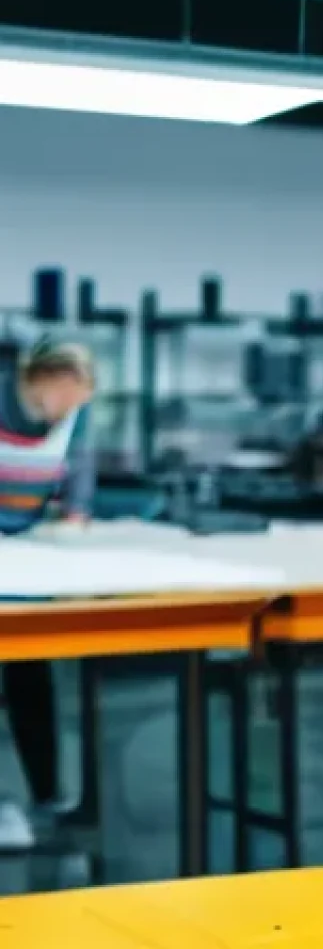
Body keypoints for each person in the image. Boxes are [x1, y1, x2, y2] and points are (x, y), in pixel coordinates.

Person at [0, 338, 96, 849]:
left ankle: (46, 795)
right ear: (41, 381)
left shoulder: (74, 418)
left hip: (27, 564)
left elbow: (79, 470)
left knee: (31, 673)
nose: (72, 407)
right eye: (67, 394)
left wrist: (77, 513)